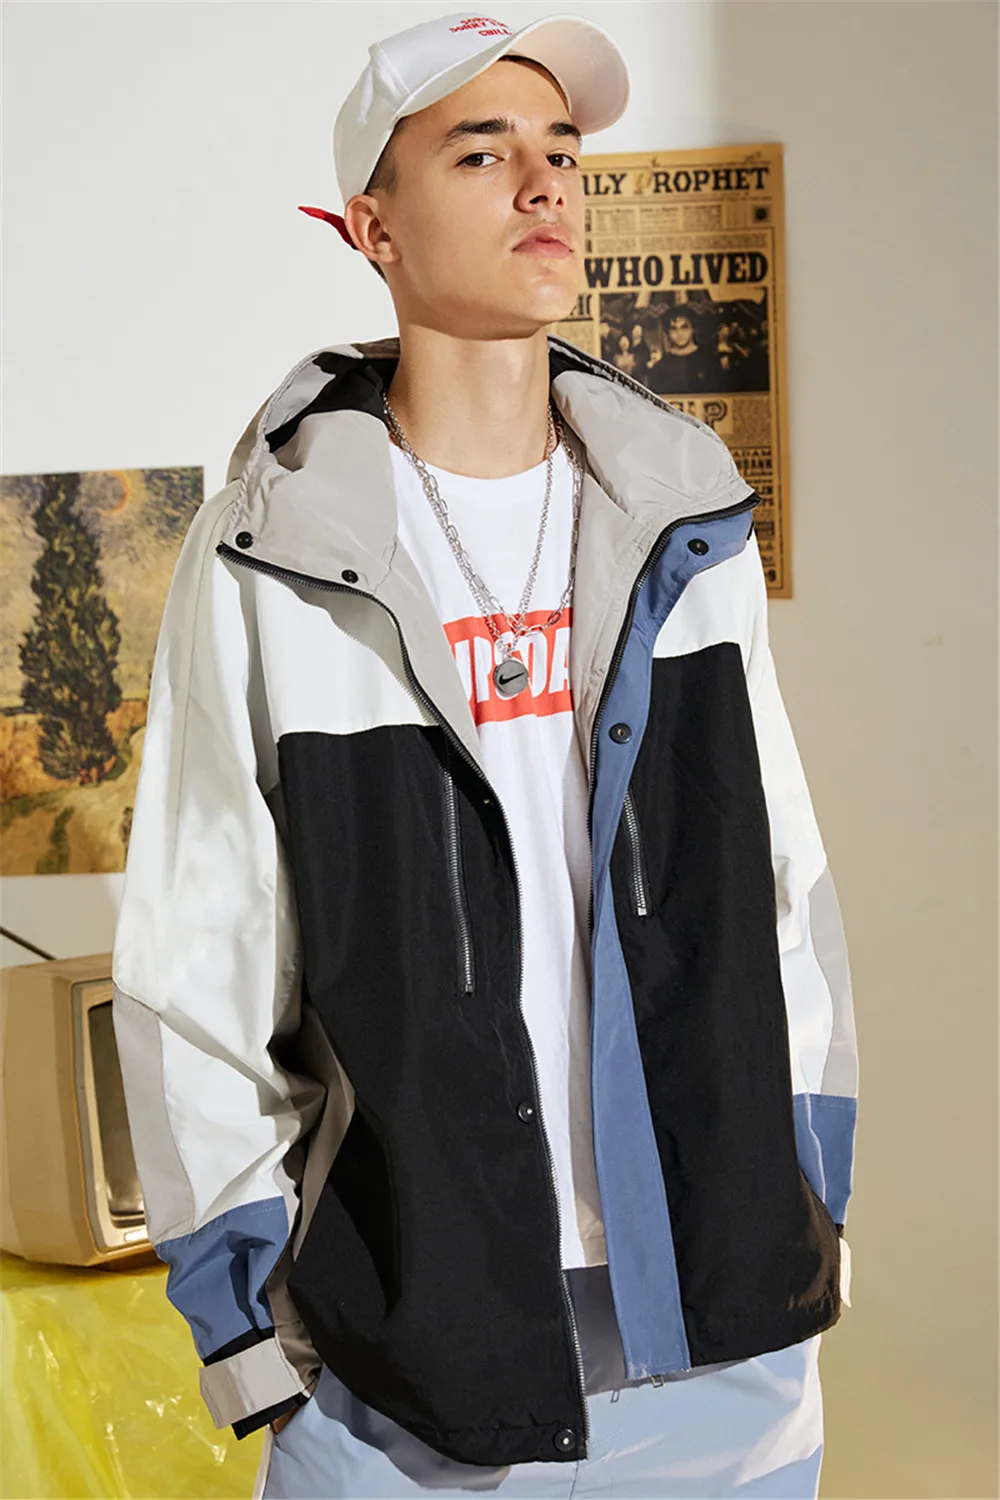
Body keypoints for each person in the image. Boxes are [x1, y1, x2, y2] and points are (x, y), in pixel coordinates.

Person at [110, 11, 859, 1499]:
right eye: (481, 151)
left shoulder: (683, 511)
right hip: (407, 1378)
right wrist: (248, 1333)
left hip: (724, 1356)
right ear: (371, 227)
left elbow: (784, 889)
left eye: (562, 150)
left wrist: (812, 1191)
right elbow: (200, 955)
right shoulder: (273, 552)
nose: (545, 183)